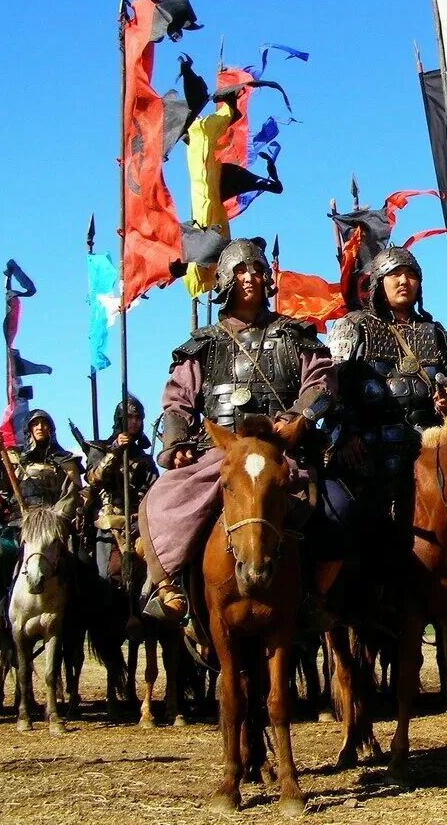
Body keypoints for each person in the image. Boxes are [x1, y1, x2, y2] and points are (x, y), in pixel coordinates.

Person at [139, 238, 340, 623]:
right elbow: (178, 398)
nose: (250, 276)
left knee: (334, 508)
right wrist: (177, 443)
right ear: (226, 279)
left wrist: (301, 417)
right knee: (163, 499)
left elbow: (321, 384)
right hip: (221, 454)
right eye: (240, 269)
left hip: (281, 452)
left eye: (256, 269)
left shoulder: (294, 334)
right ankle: (170, 586)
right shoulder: (203, 344)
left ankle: (315, 596)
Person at [327, 247, 447, 620]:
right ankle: (341, 591)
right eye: (395, 274)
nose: (404, 281)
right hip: (370, 443)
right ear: (379, 283)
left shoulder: (435, 332)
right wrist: (343, 437)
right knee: (341, 510)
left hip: (429, 440)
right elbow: (332, 386)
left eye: (411, 275)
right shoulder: (355, 326)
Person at [0, 410, 83, 634]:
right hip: (21, 525)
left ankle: (81, 616)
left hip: (54, 526)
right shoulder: (17, 460)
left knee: (82, 563)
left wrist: (52, 520)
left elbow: (72, 493)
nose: (40, 428)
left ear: (51, 429)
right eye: (35, 424)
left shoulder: (66, 461)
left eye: (44, 424)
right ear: (29, 430)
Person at [87, 395, 157, 584]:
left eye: (138, 418)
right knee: (107, 575)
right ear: (120, 420)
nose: (134, 422)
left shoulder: (144, 459)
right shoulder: (99, 449)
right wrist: (115, 451)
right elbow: (95, 479)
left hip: (136, 522)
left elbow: (154, 491)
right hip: (108, 520)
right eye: (129, 418)